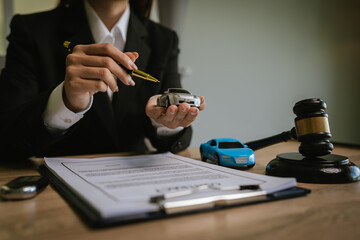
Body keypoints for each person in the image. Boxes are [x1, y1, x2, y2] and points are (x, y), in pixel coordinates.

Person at [0, 0, 206, 160]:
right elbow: (7, 139)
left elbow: (174, 143)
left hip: (137, 179)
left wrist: (165, 121)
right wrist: (65, 101)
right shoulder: (31, 30)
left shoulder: (164, 38)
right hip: (54, 188)